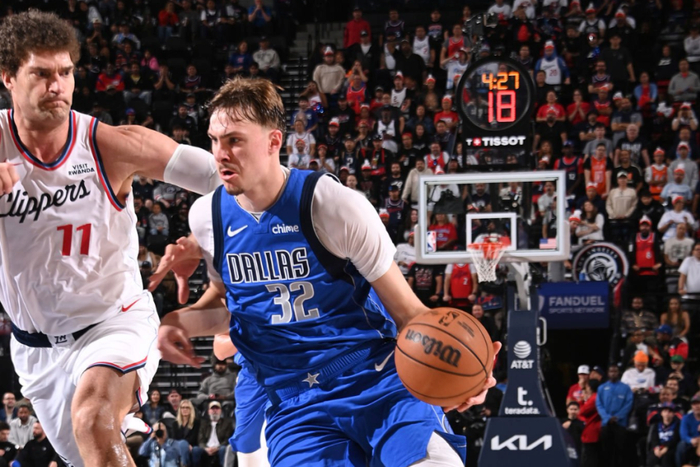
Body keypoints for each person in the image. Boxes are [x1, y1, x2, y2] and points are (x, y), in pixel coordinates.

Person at [151, 77, 499, 466]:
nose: (220, 153)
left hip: (376, 379)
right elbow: (231, 305)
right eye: (215, 140)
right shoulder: (206, 216)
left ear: (273, 142)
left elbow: (408, 313)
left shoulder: (332, 204)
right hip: (296, 405)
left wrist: (467, 369)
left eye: (235, 140)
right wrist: (177, 322)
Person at [0, 11, 221, 467]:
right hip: (37, 350)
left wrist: (201, 237)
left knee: (92, 418)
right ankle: (128, 426)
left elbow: (227, 177)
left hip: (114, 322)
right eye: (41, 74)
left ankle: (120, 417)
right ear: (8, 77)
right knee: (91, 447)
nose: (57, 85)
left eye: (65, 72)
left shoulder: (109, 145)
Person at [596, 364, 633, 467]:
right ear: (608, 373)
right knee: (606, 450)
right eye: (611, 371)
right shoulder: (602, 388)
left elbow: (629, 404)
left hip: (620, 423)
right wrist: (607, 418)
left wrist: (618, 417)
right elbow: (599, 404)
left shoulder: (626, 388)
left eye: (615, 371)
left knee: (620, 451)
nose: (613, 373)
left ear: (619, 373)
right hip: (606, 423)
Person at [194, 401, 234, 467]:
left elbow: (227, 439)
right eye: (212, 409)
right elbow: (200, 440)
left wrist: (217, 448)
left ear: (220, 411)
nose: (215, 411)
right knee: (195, 450)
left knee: (224, 449)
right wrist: (205, 448)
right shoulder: (203, 424)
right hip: (206, 448)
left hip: (220, 447)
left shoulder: (227, 423)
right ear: (208, 411)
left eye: (217, 409)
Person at [647, 402, 680, 467]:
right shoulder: (656, 425)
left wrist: (666, 447)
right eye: (665, 411)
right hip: (658, 447)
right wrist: (656, 448)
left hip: (671, 448)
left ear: (673, 414)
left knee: (666, 458)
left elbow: (676, 439)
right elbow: (654, 438)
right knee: (652, 458)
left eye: (670, 411)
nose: (667, 413)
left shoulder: (677, 425)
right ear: (661, 413)